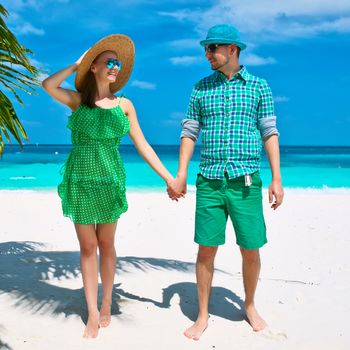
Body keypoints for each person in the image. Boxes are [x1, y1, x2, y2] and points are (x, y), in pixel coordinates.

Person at [42, 34, 178, 338]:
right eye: (109, 62)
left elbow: (142, 144)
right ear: (94, 68)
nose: (115, 66)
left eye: (117, 63)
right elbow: (48, 85)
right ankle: (92, 313)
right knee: (88, 247)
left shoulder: (125, 105)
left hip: (109, 181)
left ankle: (106, 302)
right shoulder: (78, 102)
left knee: (106, 245)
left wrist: (168, 177)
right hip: (80, 181)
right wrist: (77, 63)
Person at [169, 24, 284, 340]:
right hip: (209, 180)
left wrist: (276, 178)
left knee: (250, 247)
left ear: (232, 49)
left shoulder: (259, 87)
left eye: (212, 48)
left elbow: (269, 132)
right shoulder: (200, 88)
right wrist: (180, 175)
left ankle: (249, 305)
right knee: (206, 248)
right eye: (205, 49)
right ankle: (203, 314)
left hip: (246, 181)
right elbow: (189, 133)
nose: (207, 54)